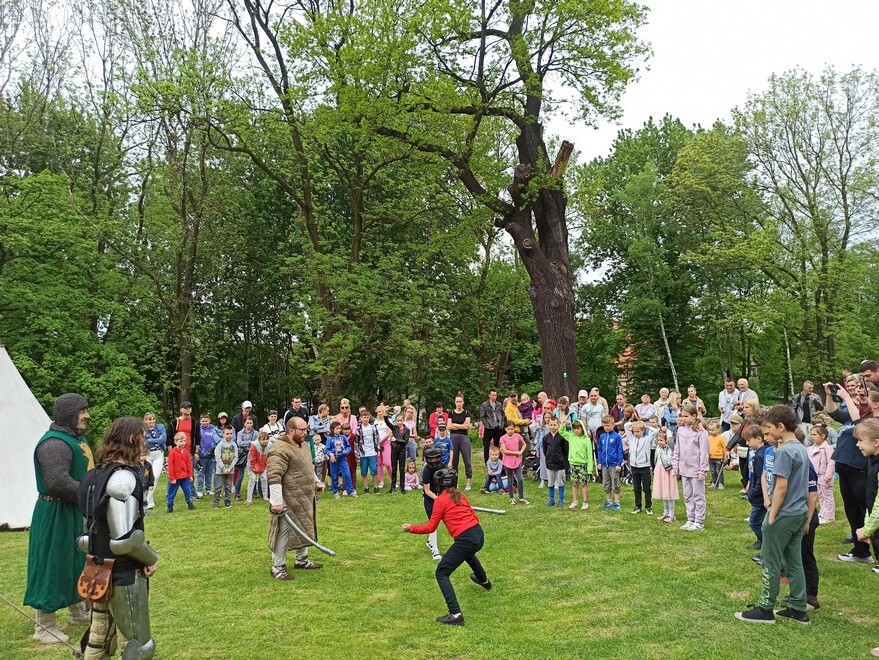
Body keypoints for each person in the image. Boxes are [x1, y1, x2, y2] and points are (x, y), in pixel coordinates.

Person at [78, 416, 159, 659]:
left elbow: (86, 535)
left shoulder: (92, 475)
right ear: (132, 439)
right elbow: (124, 540)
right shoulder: (123, 478)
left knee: (99, 639)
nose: (145, 443)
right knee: (138, 646)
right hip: (123, 573)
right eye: (142, 437)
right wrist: (150, 559)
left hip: (97, 569)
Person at [24, 393, 93, 644]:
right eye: (82, 411)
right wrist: (91, 495)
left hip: (73, 510)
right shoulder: (54, 443)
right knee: (51, 563)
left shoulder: (75, 439)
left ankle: (78, 611)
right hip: (55, 512)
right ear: (69, 414)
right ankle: (45, 625)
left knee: (76, 561)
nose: (87, 415)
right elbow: (57, 482)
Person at [735, 406, 811, 625]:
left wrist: (771, 515)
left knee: (770, 561)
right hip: (798, 513)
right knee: (794, 561)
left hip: (783, 515)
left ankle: (765, 609)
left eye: (768, 428)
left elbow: (781, 488)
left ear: (781, 427)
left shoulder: (784, 452)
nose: (766, 432)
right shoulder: (801, 448)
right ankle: (798, 608)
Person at [403, 468, 492, 626]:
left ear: (438, 484)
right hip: (478, 534)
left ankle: (456, 614)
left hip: (466, 539)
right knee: (466, 552)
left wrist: (411, 528)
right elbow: (474, 516)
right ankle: (484, 580)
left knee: (442, 572)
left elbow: (431, 527)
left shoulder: (440, 501)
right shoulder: (461, 496)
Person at [268, 417, 325, 580]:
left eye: (306, 429)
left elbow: (308, 467)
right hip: (287, 500)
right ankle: (278, 567)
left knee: (304, 527)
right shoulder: (279, 448)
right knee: (283, 532)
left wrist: (316, 482)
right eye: (303, 430)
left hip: (304, 497)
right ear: (291, 430)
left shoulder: (304, 445)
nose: (306, 432)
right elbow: (274, 475)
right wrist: (277, 502)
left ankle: (302, 560)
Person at [824, 381, 873, 562]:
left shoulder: (871, 417)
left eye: (862, 395)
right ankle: (860, 551)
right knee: (852, 511)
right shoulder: (854, 413)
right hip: (845, 467)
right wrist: (829, 395)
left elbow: (859, 423)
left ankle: (870, 548)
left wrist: (846, 397)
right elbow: (834, 413)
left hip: (860, 469)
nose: (858, 398)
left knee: (867, 510)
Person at [673, 406, 709, 531]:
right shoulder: (681, 430)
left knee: (698, 495)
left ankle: (699, 521)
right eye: (682, 416)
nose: (683, 418)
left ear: (694, 416)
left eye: (686, 416)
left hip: (696, 469)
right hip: (684, 468)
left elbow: (704, 453)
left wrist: (702, 470)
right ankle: (691, 518)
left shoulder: (701, 432)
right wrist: (675, 465)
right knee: (687, 495)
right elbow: (677, 448)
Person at [743, 425, 769, 557]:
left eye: (749, 440)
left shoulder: (760, 455)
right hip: (760, 494)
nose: (747, 444)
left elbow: (760, 478)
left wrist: (753, 493)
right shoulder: (764, 452)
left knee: (754, 522)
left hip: (759, 497)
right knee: (762, 520)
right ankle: (761, 541)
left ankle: (766, 544)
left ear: (759, 439)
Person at [564, 419, 595, 509]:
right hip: (573, 464)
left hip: (582, 465)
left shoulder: (587, 440)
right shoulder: (571, 437)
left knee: (583, 484)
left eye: (578, 428)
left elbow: (589, 455)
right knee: (574, 483)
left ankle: (585, 502)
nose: (576, 430)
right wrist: (565, 425)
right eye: (574, 428)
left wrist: (590, 469)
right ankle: (575, 501)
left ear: (582, 428)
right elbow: (561, 432)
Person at [807, 425, 835, 524]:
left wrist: (828, 476)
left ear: (823, 436)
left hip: (824, 476)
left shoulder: (828, 448)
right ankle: (823, 513)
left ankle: (829, 517)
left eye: (814, 435)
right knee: (820, 495)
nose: (812, 437)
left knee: (827, 496)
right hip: (816, 476)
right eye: (811, 435)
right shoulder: (811, 448)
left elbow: (831, 462)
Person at [421, 446, 445, 560]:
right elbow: (427, 490)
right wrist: (437, 499)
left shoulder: (443, 467)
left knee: (438, 522)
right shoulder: (426, 470)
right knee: (433, 523)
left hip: (440, 495)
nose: (434, 461)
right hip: (430, 497)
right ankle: (435, 550)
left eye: (436, 458)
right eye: (431, 459)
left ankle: (430, 541)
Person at [596, 415, 623, 511]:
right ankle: (609, 501)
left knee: (615, 483)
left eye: (608, 425)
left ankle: (617, 503)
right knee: (606, 484)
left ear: (613, 425)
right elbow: (600, 450)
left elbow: (620, 451)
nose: (606, 427)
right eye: (604, 426)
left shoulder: (617, 436)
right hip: (604, 465)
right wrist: (599, 462)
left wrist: (619, 464)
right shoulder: (602, 437)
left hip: (614, 464)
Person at [499, 421, 530, 505]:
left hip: (517, 461)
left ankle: (521, 498)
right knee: (510, 479)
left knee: (520, 479)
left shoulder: (517, 436)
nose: (510, 431)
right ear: (505, 429)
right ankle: (511, 498)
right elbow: (505, 451)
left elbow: (524, 444)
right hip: (507, 461)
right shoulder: (502, 438)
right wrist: (516, 452)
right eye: (508, 429)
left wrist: (521, 452)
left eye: (512, 429)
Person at [448, 393, 473, 491]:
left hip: (464, 437)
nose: (458, 403)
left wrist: (455, 425)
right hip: (453, 437)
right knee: (454, 460)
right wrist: (460, 425)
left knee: (467, 459)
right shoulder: (451, 413)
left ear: (463, 402)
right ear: (455, 402)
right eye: (457, 402)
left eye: (460, 402)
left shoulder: (466, 413)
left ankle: (468, 482)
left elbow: (466, 426)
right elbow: (449, 426)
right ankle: (455, 482)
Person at [325, 421, 357, 499]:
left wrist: (347, 451)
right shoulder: (330, 439)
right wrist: (330, 454)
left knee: (347, 474)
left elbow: (348, 446)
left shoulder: (343, 437)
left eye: (340, 428)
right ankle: (336, 491)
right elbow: (327, 449)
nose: (339, 430)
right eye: (337, 428)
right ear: (332, 429)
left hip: (343, 458)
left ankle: (350, 491)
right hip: (334, 459)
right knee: (334, 475)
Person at [166, 432, 196, 512]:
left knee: (188, 491)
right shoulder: (172, 452)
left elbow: (189, 464)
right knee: (172, 492)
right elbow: (170, 466)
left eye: (184, 441)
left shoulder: (186, 452)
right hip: (176, 477)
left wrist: (190, 475)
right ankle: (170, 506)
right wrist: (172, 478)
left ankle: (190, 504)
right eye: (180, 441)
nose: (183, 443)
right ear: (175, 442)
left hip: (185, 477)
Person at [653, 429, 678, 523]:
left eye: (661, 440)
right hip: (659, 469)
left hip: (667, 470)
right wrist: (659, 430)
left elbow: (670, 439)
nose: (659, 442)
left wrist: (666, 430)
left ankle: (671, 513)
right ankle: (666, 512)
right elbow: (654, 434)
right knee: (663, 492)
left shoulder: (670, 447)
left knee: (668, 492)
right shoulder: (658, 447)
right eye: (658, 440)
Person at [543, 417, 569, 507]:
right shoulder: (546, 438)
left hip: (560, 464)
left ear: (558, 425)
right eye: (551, 425)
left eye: (554, 425)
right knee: (550, 483)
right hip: (550, 463)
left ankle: (561, 500)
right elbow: (545, 451)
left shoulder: (562, 437)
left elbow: (565, 451)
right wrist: (549, 458)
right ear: (548, 425)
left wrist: (562, 459)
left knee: (561, 482)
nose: (553, 427)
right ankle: (551, 499)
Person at [354, 410, 382, 494]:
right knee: (364, 472)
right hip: (363, 453)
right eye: (364, 417)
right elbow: (356, 443)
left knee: (374, 470)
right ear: (361, 418)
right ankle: (366, 488)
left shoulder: (373, 427)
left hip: (372, 452)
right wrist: (357, 455)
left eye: (367, 417)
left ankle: (376, 487)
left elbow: (377, 438)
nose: (366, 419)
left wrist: (378, 449)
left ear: (369, 418)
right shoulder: (358, 429)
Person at [628, 421, 653, 515]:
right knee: (636, 488)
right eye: (634, 431)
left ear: (643, 431)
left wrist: (646, 426)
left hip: (644, 466)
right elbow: (626, 425)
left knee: (646, 488)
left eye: (638, 431)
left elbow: (655, 431)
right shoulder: (631, 438)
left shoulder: (647, 439)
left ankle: (648, 506)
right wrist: (634, 424)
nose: (636, 433)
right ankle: (637, 506)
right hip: (634, 466)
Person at [143, 412, 166, 510]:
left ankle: (147, 500)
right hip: (147, 455)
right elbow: (144, 443)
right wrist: (157, 440)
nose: (152, 421)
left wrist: (150, 440)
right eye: (149, 419)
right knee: (146, 477)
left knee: (155, 477)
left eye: (153, 419)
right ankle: (150, 501)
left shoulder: (160, 427)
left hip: (158, 454)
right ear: (145, 421)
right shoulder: (143, 429)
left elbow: (163, 439)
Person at [194, 413, 217, 499]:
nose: (205, 423)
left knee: (209, 473)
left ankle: (208, 489)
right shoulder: (198, 429)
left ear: (209, 421)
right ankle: (199, 490)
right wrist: (197, 452)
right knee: (200, 473)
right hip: (201, 455)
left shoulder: (214, 429)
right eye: (203, 421)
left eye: (206, 421)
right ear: (200, 421)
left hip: (211, 455)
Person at [214, 426, 238, 509]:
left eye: (231, 433)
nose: (229, 435)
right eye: (227, 434)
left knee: (228, 487)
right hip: (220, 470)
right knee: (218, 487)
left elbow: (236, 457)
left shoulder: (234, 444)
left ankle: (227, 502)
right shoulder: (220, 445)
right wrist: (223, 468)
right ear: (223, 434)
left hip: (230, 470)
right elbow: (218, 457)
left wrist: (230, 468)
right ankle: (216, 503)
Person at [235, 417, 258, 501]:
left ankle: (254, 492)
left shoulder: (256, 433)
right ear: (244, 423)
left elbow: (256, 443)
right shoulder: (240, 433)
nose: (249, 425)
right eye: (247, 423)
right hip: (242, 455)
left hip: (252, 455)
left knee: (253, 475)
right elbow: (239, 443)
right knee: (240, 476)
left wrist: (250, 444)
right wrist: (250, 442)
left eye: (250, 423)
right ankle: (237, 493)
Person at [480, 390, 506, 463]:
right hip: (489, 428)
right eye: (493, 395)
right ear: (489, 395)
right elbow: (482, 417)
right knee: (486, 445)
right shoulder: (485, 405)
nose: (494, 397)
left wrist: (501, 424)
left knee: (497, 444)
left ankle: (497, 460)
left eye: (495, 395)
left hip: (497, 427)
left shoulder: (499, 404)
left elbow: (502, 415)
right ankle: (486, 461)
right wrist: (487, 425)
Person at [247, 432, 273, 504]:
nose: (265, 441)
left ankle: (265, 497)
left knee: (264, 479)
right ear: (259, 440)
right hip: (252, 465)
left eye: (267, 439)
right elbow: (252, 460)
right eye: (263, 439)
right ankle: (249, 499)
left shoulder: (270, 445)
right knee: (252, 479)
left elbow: (270, 456)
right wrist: (256, 469)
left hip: (263, 464)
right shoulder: (254, 446)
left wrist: (265, 466)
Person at [390, 414, 410, 493]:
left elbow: (405, 441)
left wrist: (396, 439)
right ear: (396, 421)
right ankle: (393, 487)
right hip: (394, 450)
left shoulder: (407, 430)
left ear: (403, 420)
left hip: (402, 450)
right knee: (394, 468)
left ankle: (402, 488)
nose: (399, 422)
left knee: (402, 469)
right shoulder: (394, 428)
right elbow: (387, 422)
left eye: (401, 420)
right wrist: (385, 414)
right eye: (398, 421)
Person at [534, 409, 553, 488]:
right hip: (542, 447)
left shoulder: (553, 427)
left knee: (551, 463)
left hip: (551, 447)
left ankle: (552, 480)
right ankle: (542, 480)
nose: (547, 419)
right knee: (543, 464)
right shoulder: (541, 428)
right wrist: (537, 450)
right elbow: (538, 439)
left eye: (549, 418)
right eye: (546, 417)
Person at [707, 420, 728, 490]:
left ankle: (720, 483)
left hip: (719, 458)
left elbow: (725, 448)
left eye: (713, 430)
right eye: (709, 430)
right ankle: (714, 482)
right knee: (712, 471)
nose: (711, 432)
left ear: (718, 429)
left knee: (718, 470)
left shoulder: (720, 438)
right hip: (711, 457)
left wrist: (725, 456)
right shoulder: (709, 438)